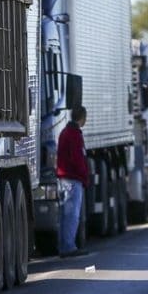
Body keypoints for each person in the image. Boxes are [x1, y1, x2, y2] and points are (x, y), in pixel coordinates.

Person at [57, 106, 89, 257]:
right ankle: (69, 246)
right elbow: (78, 159)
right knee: (72, 214)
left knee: (64, 214)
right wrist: (84, 176)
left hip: (63, 178)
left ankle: (64, 245)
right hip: (73, 179)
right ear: (81, 117)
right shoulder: (75, 134)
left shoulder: (64, 132)